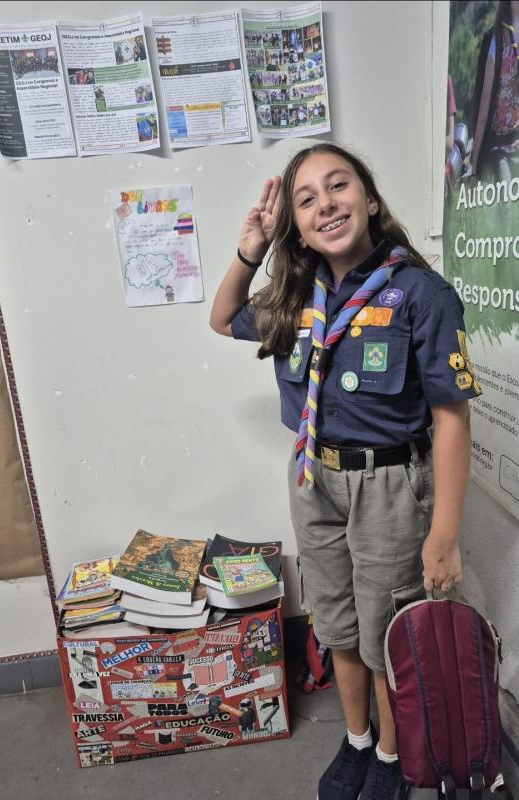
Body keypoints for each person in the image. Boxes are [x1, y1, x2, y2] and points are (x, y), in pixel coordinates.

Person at [210, 143, 480, 800]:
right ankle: (358, 738)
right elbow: (221, 318)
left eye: (339, 186)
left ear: (370, 199)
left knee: (385, 628)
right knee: (335, 623)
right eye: (306, 200)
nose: (326, 204)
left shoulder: (420, 293)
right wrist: (249, 250)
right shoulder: (294, 296)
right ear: (297, 230)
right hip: (314, 477)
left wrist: (444, 535)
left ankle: (391, 753)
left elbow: (451, 419)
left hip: (389, 486)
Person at [471, 0, 519, 181]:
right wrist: (474, 169)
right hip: (498, 148)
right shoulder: (497, 41)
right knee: (506, 197)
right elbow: (483, 114)